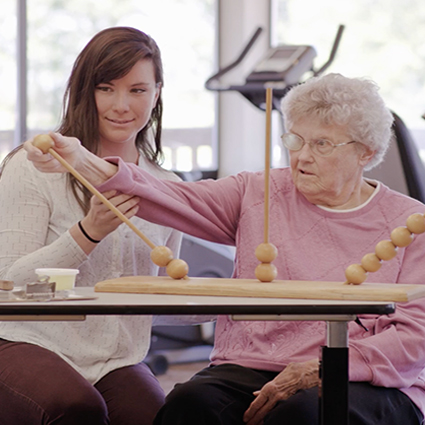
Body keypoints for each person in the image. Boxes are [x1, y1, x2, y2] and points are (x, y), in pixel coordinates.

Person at [24, 73, 425, 425]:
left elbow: (416, 336)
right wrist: (82, 160)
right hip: (248, 367)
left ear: (365, 153)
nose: (301, 156)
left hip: (367, 377)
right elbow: (171, 196)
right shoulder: (257, 192)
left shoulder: (411, 223)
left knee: (302, 413)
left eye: (322, 144)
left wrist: (328, 367)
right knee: (189, 404)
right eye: (296, 139)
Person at [0, 27, 184, 425]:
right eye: (106, 88)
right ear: (85, 91)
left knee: (156, 414)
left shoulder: (166, 186)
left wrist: (242, 304)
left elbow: (162, 296)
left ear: (157, 93)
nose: (122, 105)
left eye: (137, 90)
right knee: (77, 408)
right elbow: (10, 287)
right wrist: (87, 234)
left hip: (114, 360)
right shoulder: (34, 166)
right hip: (23, 341)